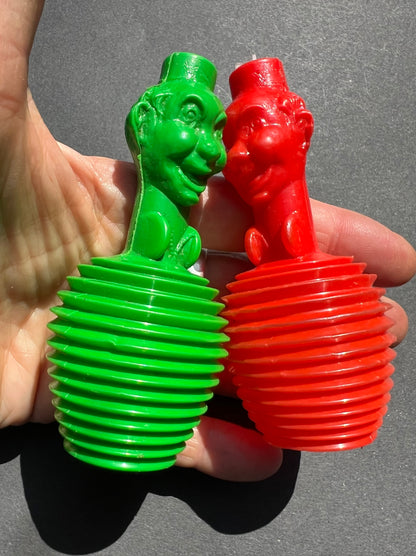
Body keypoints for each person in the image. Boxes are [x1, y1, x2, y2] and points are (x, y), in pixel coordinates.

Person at [0, 1, 415, 481]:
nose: (222, 154)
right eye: (195, 121)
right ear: (141, 125)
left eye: (235, 130)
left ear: (303, 131)